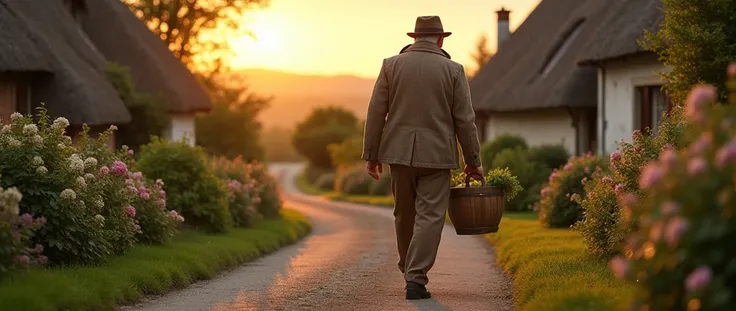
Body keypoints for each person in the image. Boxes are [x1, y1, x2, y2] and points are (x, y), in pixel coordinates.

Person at [361, 15, 483, 300]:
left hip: (398, 155)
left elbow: (375, 112)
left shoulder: (391, 66)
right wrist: (473, 160)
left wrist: (371, 154)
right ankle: (415, 278)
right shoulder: (453, 70)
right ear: (440, 40)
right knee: (430, 217)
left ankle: (409, 270)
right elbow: (465, 120)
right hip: (437, 155)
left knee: (404, 214)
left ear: (414, 38)